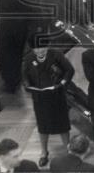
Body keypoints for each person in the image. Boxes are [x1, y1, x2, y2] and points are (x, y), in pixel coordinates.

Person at [23, 39, 75, 167]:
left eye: (43, 47)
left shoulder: (56, 54)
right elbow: (24, 76)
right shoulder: (29, 58)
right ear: (32, 49)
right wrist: (27, 85)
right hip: (39, 98)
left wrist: (62, 84)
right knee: (43, 126)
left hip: (57, 95)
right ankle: (43, 152)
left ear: (47, 46)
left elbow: (69, 70)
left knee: (63, 125)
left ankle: (69, 151)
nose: (40, 51)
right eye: (37, 49)